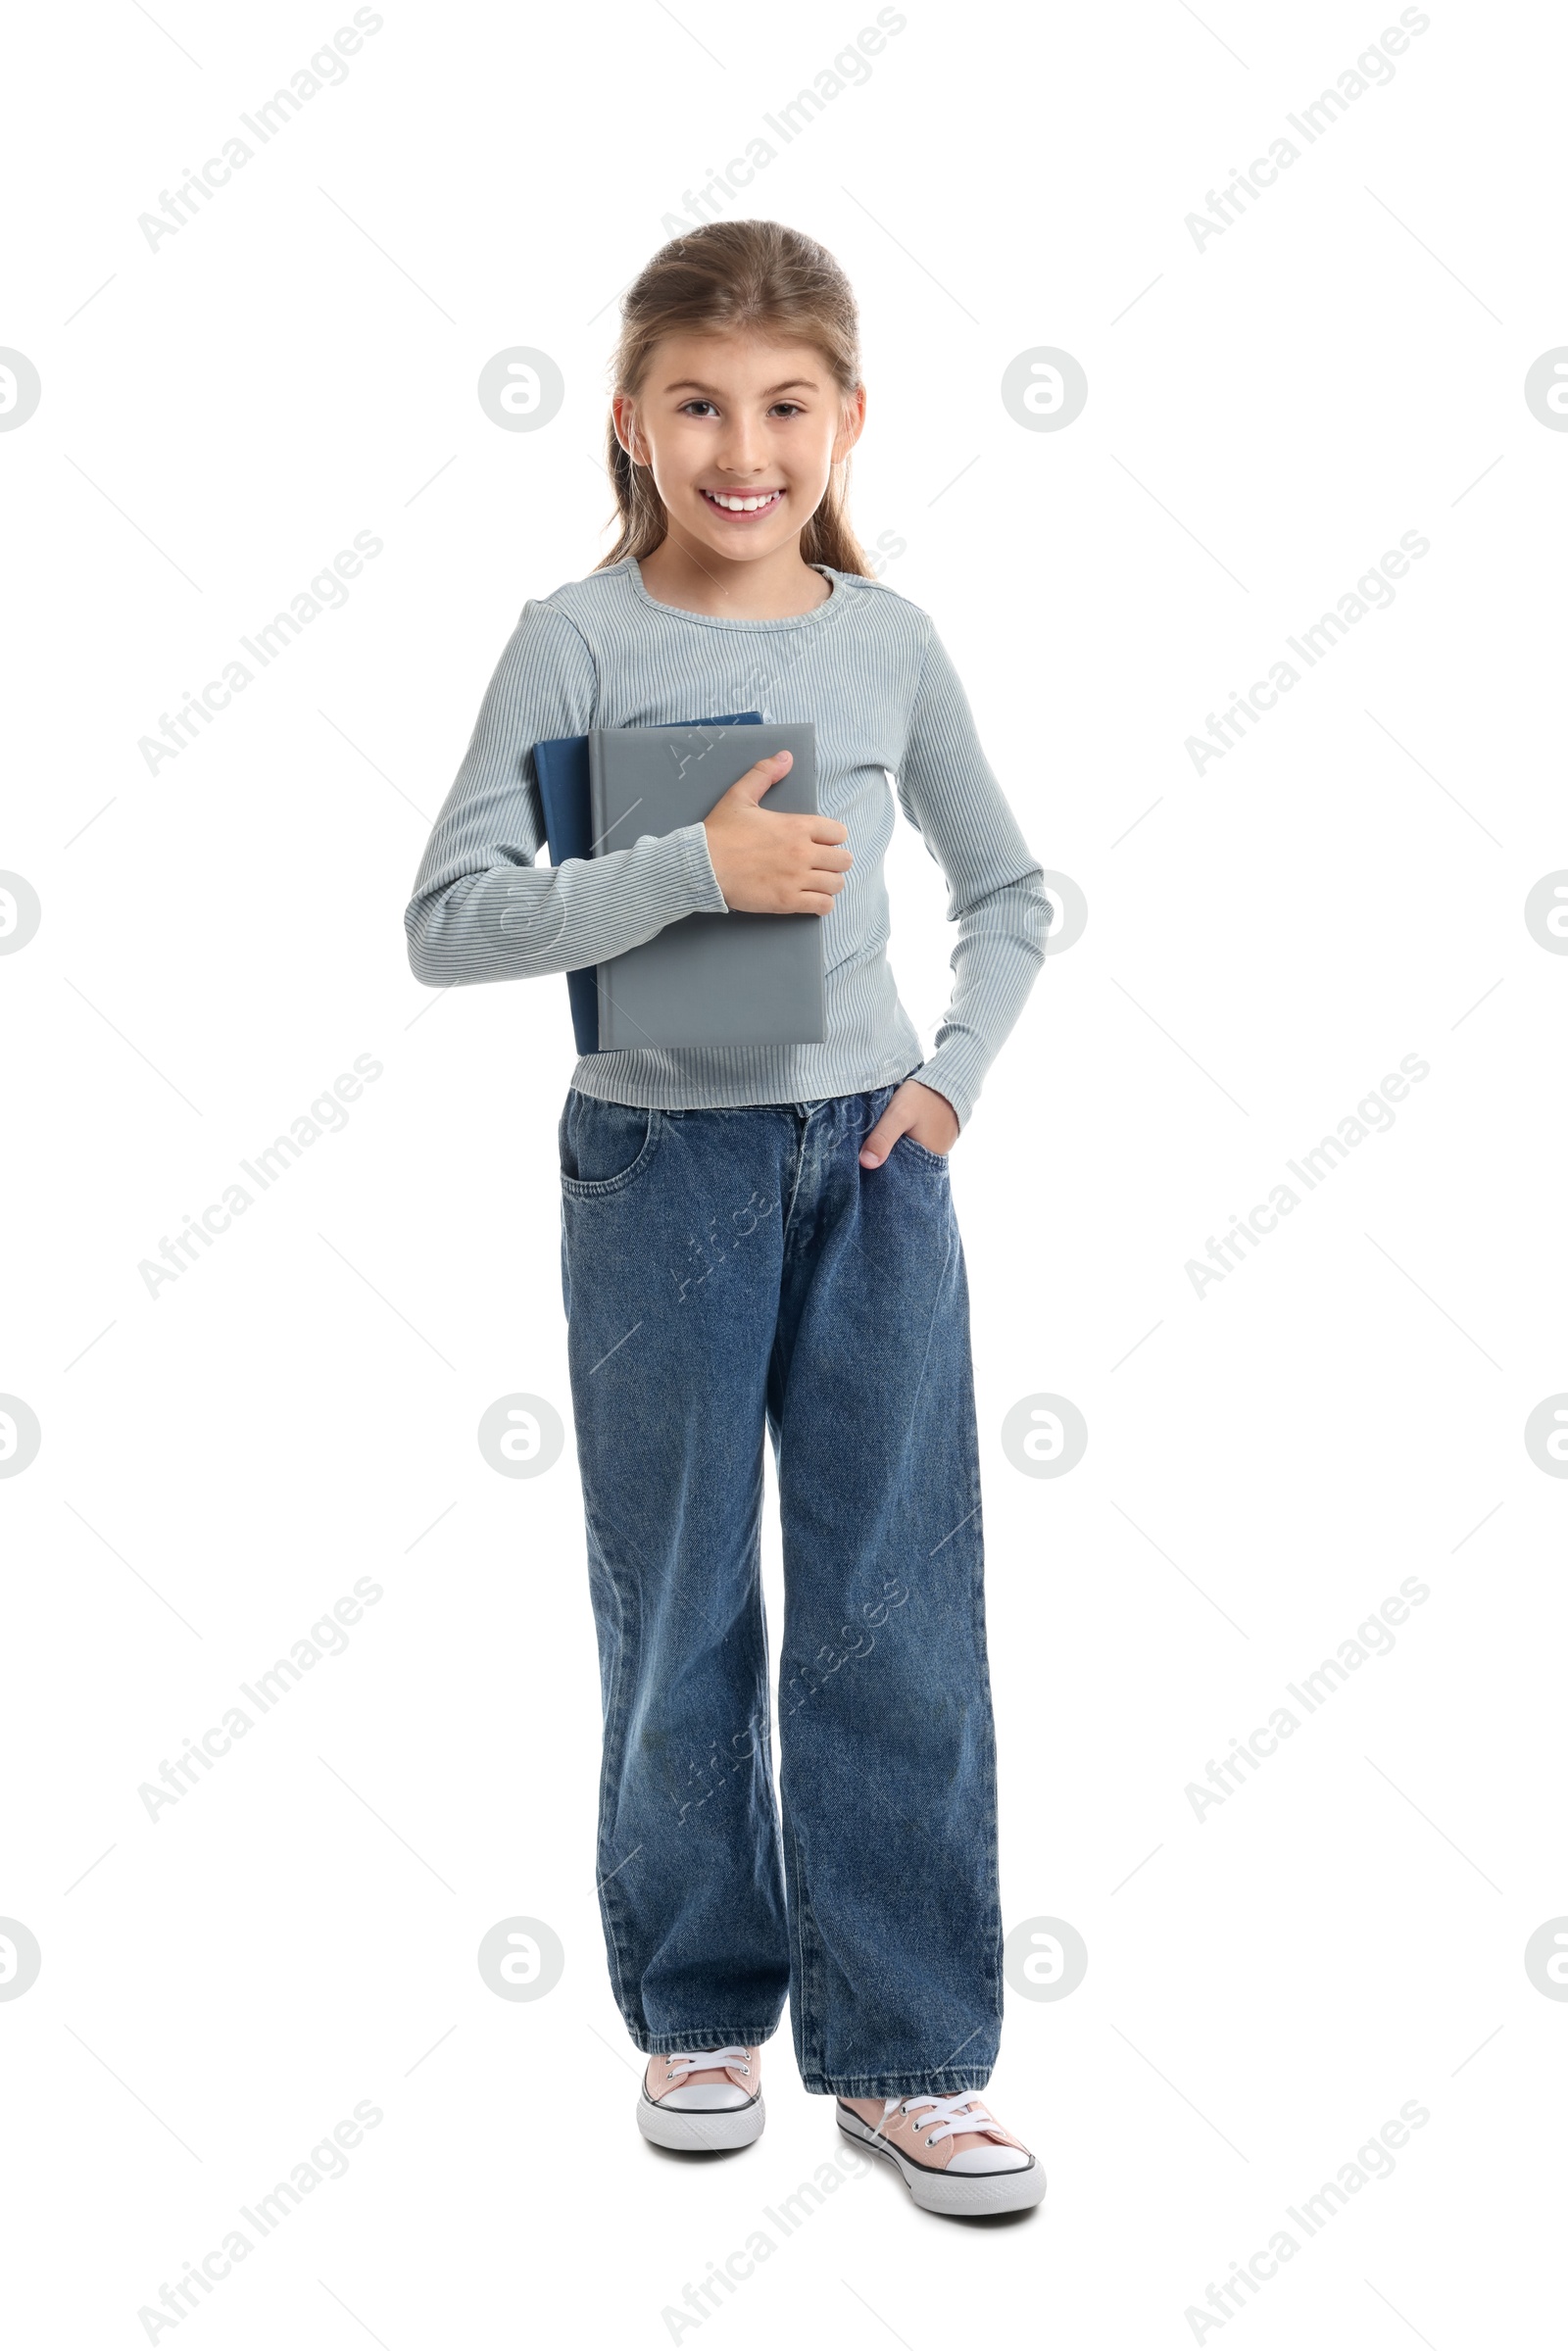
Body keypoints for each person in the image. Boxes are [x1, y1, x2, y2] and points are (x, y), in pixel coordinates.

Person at [405, 219, 1051, 2218]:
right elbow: (449, 923)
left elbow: (1010, 892)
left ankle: (909, 2058)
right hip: (656, 1173)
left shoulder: (886, 639)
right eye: (697, 402)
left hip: (870, 1168)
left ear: (846, 420)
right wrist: (689, 864)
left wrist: (944, 1082)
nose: (741, 446)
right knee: (676, 1599)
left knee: (891, 1608)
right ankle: (700, 2005)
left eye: (783, 406)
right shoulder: (575, 639)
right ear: (628, 420)